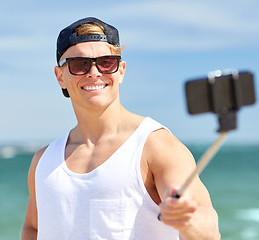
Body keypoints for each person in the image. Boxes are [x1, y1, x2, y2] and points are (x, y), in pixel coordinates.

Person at [21, 17, 220, 240]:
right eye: (79, 64)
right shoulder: (44, 160)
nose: (94, 72)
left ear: (121, 70)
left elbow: (207, 227)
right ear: (60, 77)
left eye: (106, 62)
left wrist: (188, 219)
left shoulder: (155, 145)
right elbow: (33, 228)